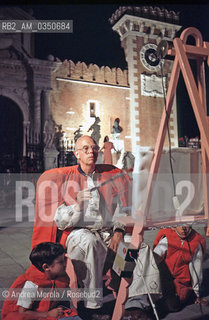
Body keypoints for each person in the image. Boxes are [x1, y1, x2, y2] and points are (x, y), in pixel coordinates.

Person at [31, 135, 161, 319]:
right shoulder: (64, 180)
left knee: (138, 248)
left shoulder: (111, 176)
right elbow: (60, 221)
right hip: (79, 234)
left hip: (108, 233)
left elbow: (123, 207)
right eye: (85, 149)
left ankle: (135, 302)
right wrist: (76, 206)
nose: (91, 151)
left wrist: (118, 230)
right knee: (90, 243)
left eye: (94, 148)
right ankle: (92, 307)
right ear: (77, 154)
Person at [1, 242, 82, 320]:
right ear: (46, 267)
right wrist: (47, 314)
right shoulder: (32, 285)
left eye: (65, 259)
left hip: (57, 314)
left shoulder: (61, 277)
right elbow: (22, 312)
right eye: (61, 262)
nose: (65, 264)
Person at [153, 226, 207, 314]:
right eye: (180, 225)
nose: (183, 228)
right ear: (174, 227)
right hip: (165, 279)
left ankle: (190, 296)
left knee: (173, 306)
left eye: (187, 224)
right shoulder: (167, 237)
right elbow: (154, 259)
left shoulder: (196, 242)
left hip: (182, 283)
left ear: (191, 225)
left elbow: (197, 271)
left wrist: (196, 293)